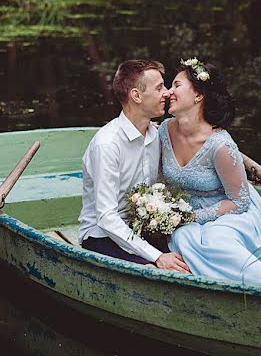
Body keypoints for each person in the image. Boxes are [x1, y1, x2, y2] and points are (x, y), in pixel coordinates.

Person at [160, 58, 261, 286]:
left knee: (216, 240)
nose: (168, 92)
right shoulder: (165, 131)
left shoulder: (220, 145)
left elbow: (240, 200)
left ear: (198, 95)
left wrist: (193, 217)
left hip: (230, 211)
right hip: (184, 213)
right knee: (183, 236)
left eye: (176, 85)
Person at [78, 59, 191, 274]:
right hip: (101, 236)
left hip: (142, 228)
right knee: (155, 270)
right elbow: (106, 218)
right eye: (159, 88)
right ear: (136, 96)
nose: (167, 93)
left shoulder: (155, 134)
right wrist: (157, 257)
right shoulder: (107, 145)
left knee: (190, 257)